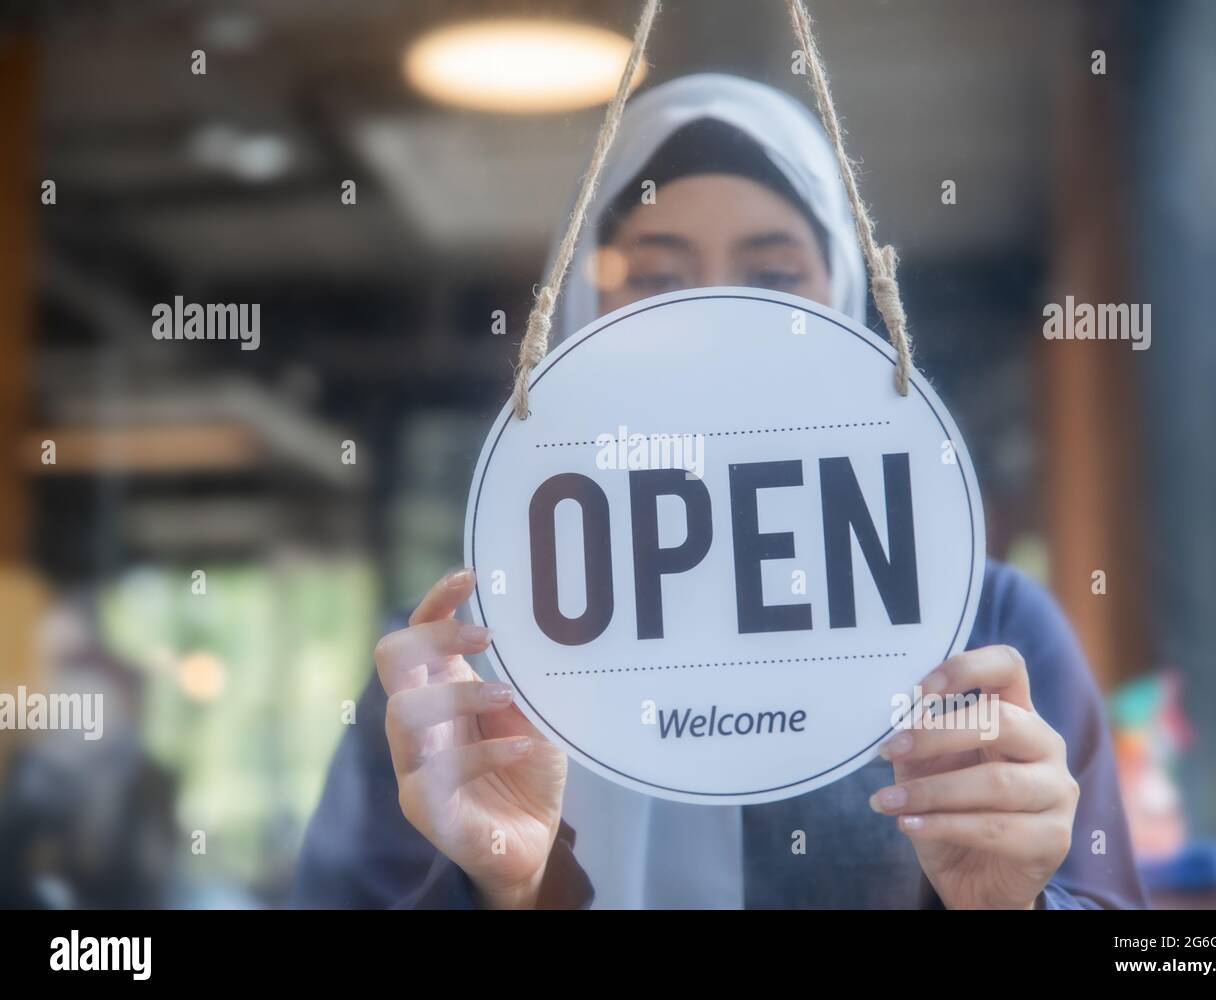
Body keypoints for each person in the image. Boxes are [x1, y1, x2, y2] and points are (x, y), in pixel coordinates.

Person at [293, 74, 1146, 910]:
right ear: (589, 306)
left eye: (773, 278)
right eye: (657, 282)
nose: (711, 318)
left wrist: (1011, 908)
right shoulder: (463, 654)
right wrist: (497, 893)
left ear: (845, 299)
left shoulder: (986, 627)